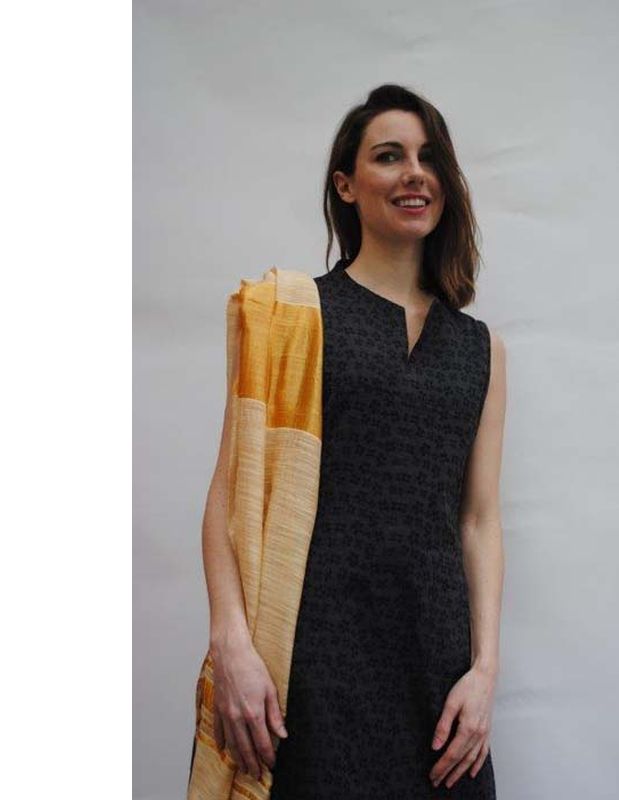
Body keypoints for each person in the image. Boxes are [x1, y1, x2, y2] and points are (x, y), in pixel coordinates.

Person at [201, 84, 507, 798]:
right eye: (389, 156)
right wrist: (233, 643)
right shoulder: (292, 318)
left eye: (429, 158)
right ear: (346, 184)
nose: (414, 173)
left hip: (437, 670)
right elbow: (228, 496)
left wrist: (484, 671)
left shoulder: (479, 349)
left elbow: (479, 519)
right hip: (311, 661)